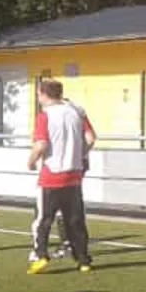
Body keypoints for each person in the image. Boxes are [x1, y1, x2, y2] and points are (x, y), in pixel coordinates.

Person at [27, 78, 94, 274]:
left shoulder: (45, 116)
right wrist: (79, 155)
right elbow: (91, 138)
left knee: (43, 219)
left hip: (51, 175)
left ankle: (40, 255)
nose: (38, 98)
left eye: (39, 94)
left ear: (44, 94)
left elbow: (41, 145)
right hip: (74, 175)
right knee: (75, 220)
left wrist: (31, 161)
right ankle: (83, 260)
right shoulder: (77, 112)